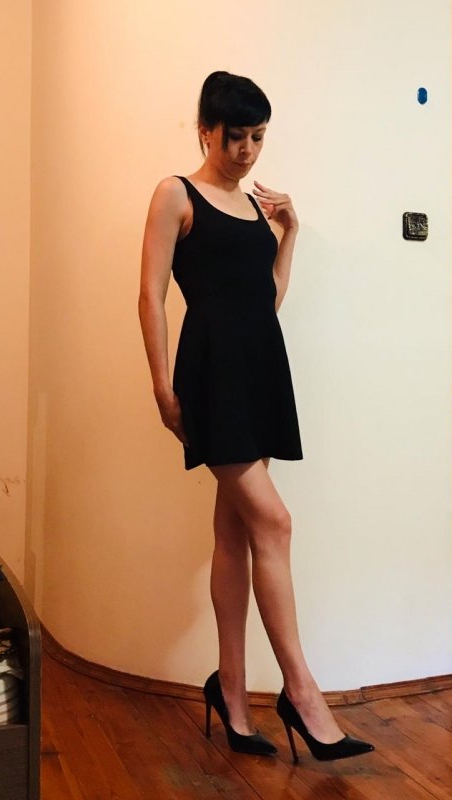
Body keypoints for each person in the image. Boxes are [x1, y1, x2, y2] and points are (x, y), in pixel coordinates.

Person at [138, 70, 374, 763]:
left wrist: (289, 233)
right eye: (235, 136)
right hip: (211, 376)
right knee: (275, 522)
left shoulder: (252, 206)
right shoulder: (175, 194)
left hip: (260, 372)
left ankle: (233, 695)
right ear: (205, 130)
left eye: (258, 138)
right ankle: (302, 694)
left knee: (235, 531)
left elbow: (263, 302)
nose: (246, 150)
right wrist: (162, 387)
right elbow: (149, 294)